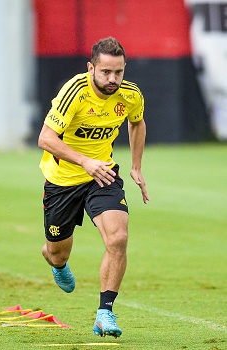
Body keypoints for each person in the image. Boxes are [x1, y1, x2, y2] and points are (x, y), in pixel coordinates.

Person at [37, 37, 149, 338]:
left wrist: (136, 166)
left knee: (118, 237)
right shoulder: (75, 91)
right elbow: (46, 139)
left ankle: (105, 312)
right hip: (63, 181)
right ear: (91, 68)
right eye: (106, 72)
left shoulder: (130, 94)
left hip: (103, 174)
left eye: (119, 72)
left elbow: (136, 123)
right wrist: (84, 162)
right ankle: (57, 263)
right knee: (57, 253)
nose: (113, 79)